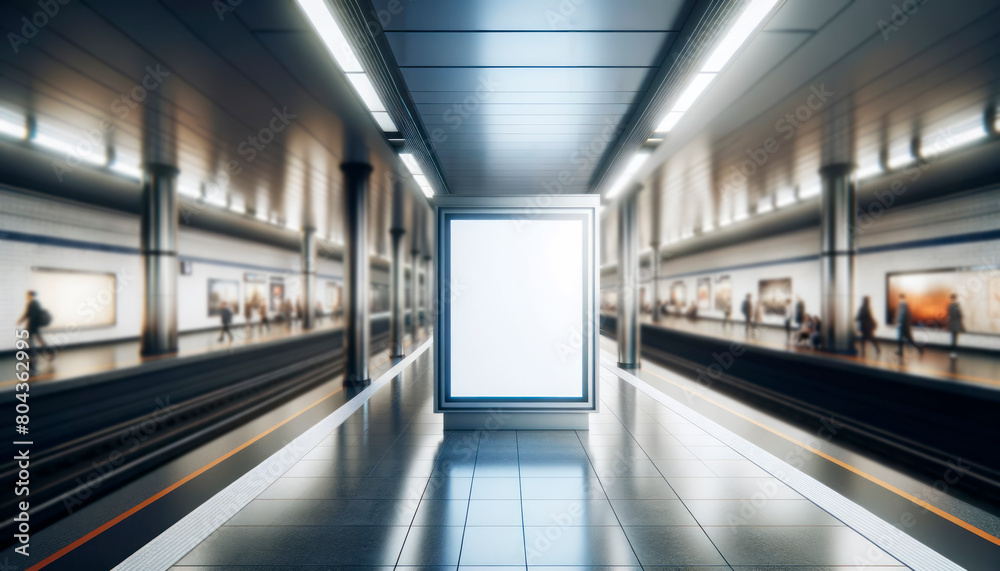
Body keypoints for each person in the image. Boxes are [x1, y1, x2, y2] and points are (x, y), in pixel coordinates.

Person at [16, 290, 52, 360]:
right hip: (35, 325)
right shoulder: (37, 303)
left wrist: (20, 321)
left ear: (31, 296)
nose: (26, 297)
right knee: (39, 340)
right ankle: (50, 353)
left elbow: (27, 314)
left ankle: (33, 356)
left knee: (31, 341)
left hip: (31, 326)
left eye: (27, 296)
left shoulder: (30, 304)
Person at [947, 293, 964, 359]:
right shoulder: (957, 305)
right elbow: (960, 315)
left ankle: (952, 352)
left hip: (951, 323)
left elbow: (949, 314)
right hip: (956, 323)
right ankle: (954, 352)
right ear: (955, 298)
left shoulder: (949, 306)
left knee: (952, 338)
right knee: (955, 339)